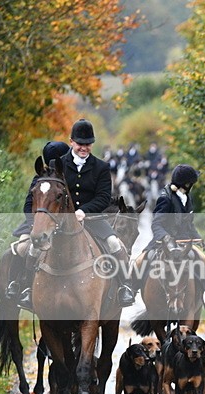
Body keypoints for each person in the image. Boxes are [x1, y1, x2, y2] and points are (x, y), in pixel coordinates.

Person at [16, 119, 135, 308]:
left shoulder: (101, 167)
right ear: (71, 141)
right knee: (34, 248)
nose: (84, 148)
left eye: (88, 144)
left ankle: (125, 287)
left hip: (92, 219)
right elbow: (49, 194)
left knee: (114, 243)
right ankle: (26, 288)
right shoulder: (57, 165)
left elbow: (103, 198)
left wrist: (83, 211)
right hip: (59, 220)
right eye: (80, 143)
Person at [137, 164, 205, 310]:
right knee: (140, 260)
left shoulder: (187, 198)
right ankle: (129, 290)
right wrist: (166, 238)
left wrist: (199, 238)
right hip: (164, 241)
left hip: (184, 241)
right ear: (186, 184)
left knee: (202, 259)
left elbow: (189, 225)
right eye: (191, 183)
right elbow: (156, 224)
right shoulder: (166, 198)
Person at [5, 141, 71, 307]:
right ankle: (20, 284)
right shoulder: (39, 179)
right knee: (22, 248)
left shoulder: (68, 178)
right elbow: (28, 205)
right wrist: (33, 224)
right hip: (37, 222)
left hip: (64, 223)